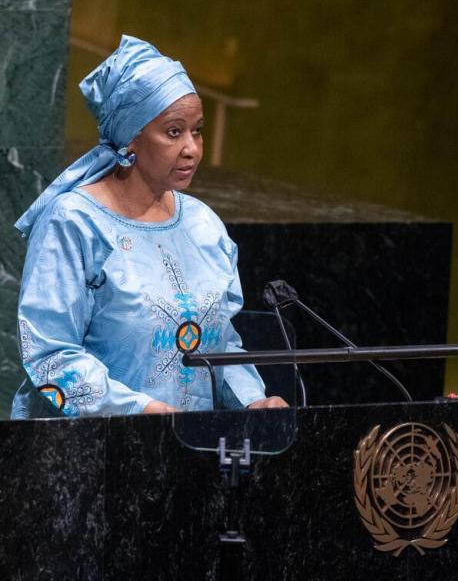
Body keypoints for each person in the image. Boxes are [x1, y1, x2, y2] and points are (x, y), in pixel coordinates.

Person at [11, 35, 287, 419]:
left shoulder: (203, 225)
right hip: (95, 455)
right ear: (131, 137)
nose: (191, 148)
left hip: (192, 453)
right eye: (174, 132)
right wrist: (139, 411)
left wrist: (252, 402)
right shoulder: (75, 222)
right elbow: (52, 355)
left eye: (197, 130)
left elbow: (222, 345)